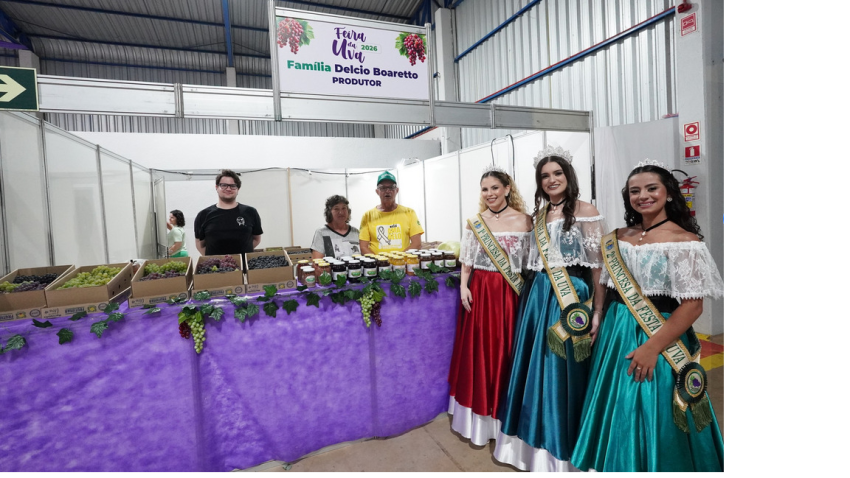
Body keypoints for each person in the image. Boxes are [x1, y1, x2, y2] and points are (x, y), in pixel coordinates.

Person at [570, 160, 723, 472]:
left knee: (650, 405)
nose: (643, 196)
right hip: (616, 333)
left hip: (658, 335)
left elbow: (693, 306)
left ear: (668, 193)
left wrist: (652, 347)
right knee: (616, 406)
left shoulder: (684, 241)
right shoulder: (618, 237)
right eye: (635, 191)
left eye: (651, 188)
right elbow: (603, 282)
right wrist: (597, 314)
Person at [493, 146, 607, 472]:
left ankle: (563, 450)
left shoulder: (586, 211)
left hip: (572, 297)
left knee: (563, 371)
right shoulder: (539, 216)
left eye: (557, 173)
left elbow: (597, 266)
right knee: (535, 369)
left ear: (568, 176)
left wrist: (597, 311)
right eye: (545, 175)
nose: (551, 179)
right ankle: (533, 447)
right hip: (539, 295)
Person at [447, 166, 532, 446]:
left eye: (495, 188)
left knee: (507, 350)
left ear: (507, 188)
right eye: (485, 189)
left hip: (511, 293)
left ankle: (505, 417)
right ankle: (482, 419)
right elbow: (467, 260)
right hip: (481, 292)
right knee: (482, 350)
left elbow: (530, 264)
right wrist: (463, 287)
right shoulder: (476, 222)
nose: (490, 193)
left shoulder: (525, 221)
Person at [194, 169, 263, 256]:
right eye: (224, 185)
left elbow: (257, 239)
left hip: (245, 267)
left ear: (238, 189)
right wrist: (214, 260)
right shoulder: (203, 215)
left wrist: (240, 255)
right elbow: (200, 244)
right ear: (216, 187)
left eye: (233, 186)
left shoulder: (250, 212)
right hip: (216, 268)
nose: (228, 189)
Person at [359, 171, 424, 254]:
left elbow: (417, 244)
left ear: (397, 190)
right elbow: (363, 247)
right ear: (377, 191)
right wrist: (379, 262)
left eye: (391, 187)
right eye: (383, 188)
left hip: (403, 264)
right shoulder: (367, 216)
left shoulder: (409, 213)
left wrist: (398, 260)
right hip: (378, 265)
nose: (387, 191)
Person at [311, 195, 361, 259]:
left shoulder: (355, 232)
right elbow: (317, 261)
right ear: (329, 212)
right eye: (336, 209)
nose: (341, 212)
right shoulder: (321, 232)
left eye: (344, 208)